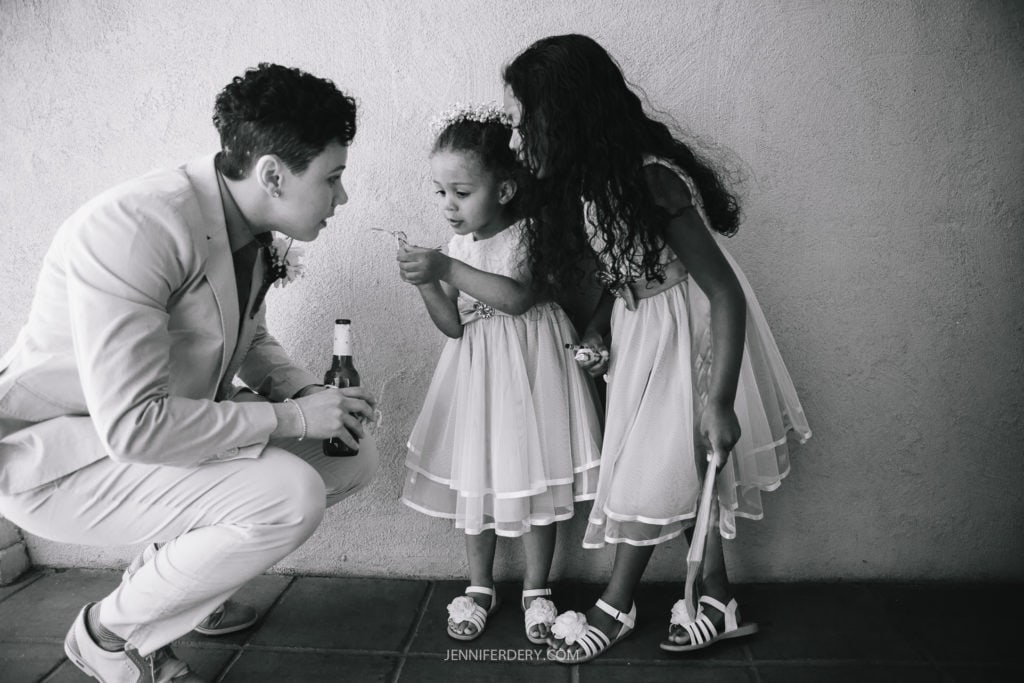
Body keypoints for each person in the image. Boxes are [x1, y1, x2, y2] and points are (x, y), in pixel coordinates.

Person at [0, 63, 379, 682]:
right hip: (59, 454)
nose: (343, 197)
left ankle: (170, 589)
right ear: (274, 175)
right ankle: (106, 635)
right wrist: (291, 417)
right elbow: (132, 426)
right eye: (333, 178)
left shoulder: (248, 221)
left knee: (348, 457)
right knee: (292, 494)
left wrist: (307, 393)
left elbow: (248, 334)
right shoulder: (135, 229)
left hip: (165, 437)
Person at [502, 34, 812, 663]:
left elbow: (724, 293)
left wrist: (719, 399)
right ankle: (717, 598)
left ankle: (616, 603)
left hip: (690, 336)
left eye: (523, 119)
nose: (517, 136)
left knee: (652, 468)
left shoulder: (650, 180)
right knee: (689, 469)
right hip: (645, 334)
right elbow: (625, 269)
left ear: (562, 116)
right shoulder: (592, 182)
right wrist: (601, 326)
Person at [396, 103, 602, 645]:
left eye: (461, 193)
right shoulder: (457, 247)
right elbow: (453, 325)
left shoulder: (532, 233)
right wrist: (424, 281)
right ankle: (480, 584)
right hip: (479, 371)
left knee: (537, 471)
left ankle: (537, 587)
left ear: (504, 190)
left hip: (533, 366)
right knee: (480, 472)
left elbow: (514, 299)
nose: (448, 205)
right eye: (440, 192)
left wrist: (445, 267)